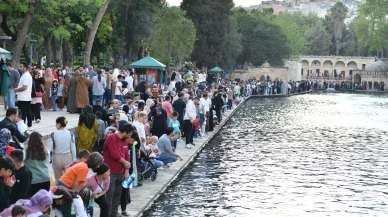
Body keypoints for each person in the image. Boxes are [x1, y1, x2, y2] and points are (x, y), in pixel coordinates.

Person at [104, 123, 133, 217]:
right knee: (109, 196)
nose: (130, 137)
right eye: (129, 134)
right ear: (125, 132)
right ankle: (107, 214)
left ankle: (114, 213)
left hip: (120, 172)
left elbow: (127, 155)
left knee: (117, 195)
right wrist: (125, 163)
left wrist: (127, 171)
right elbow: (114, 154)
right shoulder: (111, 138)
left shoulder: (124, 141)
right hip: (110, 172)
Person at [25, 132, 50, 197]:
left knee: (33, 203)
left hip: (33, 181)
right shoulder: (45, 150)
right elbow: (48, 162)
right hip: (45, 178)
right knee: (44, 201)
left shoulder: (26, 151)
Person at [15, 63, 33, 128]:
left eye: (21, 67)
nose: (20, 68)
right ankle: (29, 126)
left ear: (25, 68)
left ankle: (23, 127)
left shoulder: (26, 76)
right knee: (27, 112)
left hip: (24, 98)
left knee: (23, 113)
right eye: (20, 66)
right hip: (25, 97)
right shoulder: (24, 75)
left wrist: (16, 90)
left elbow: (24, 87)